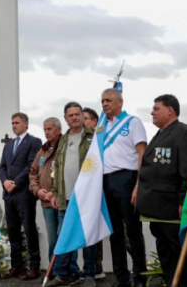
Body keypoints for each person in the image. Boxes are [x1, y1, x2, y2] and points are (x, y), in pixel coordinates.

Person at [137, 94, 187, 287]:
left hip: (174, 209)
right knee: (167, 256)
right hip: (157, 210)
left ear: (170, 110)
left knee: (183, 256)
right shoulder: (160, 134)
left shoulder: (185, 133)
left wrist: (185, 201)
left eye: (156, 108)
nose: (152, 112)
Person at [97, 88, 147, 287]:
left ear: (120, 102)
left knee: (133, 231)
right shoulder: (101, 128)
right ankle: (121, 277)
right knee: (115, 232)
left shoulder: (133, 123)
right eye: (102, 101)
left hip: (127, 178)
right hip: (105, 181)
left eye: (108, 100)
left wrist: (138, 184)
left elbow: (142, 154)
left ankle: (140, 277)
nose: (104, 104)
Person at [48, 103, 98, 287]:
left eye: (78, 114)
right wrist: (54, 193)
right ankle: (63, 274)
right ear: (65, 118)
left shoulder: (93, 136)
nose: (75, 117)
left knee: (88, 237)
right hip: (65, 197)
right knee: (64, 235)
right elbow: (58, 167)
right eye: (71, 115)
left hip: (86, 196)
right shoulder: (63, 139)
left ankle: (90, 274)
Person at [0, 112, 42, 280]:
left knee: (29, 229)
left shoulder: (34, 142)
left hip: (24, 193)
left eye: (17, 122)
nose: (14, 125)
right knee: (12, 230)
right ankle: (17, 265)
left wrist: (15, 182)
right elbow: (2, 167)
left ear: (26, 124)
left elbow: (31, 165)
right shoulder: (8, 145)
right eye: (12, 123)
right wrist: (5, 182)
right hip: (8, 194)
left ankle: (34, 266)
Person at [28, 117, 61, 265]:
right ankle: (53, 270)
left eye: (50, 129)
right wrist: (37, 190)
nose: (47, 132)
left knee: (64, 238)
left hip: (61, 201)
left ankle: (68, 271)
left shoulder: (64, 147)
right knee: (52, 239)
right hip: (45, 202)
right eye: (45, 129)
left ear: (59, 129)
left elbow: (66, 173)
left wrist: (55, 192)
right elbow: (33, 172)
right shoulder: (43, 150)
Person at [82, 106, 106, 279]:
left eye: (85, 118)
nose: (82, 122)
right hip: (89, 191)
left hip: (106, 189)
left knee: (124, 234)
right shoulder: (82, 140)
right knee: (92, 230)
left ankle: (140, 266)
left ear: (94, 121)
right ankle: (96, 267)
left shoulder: (99, 138)